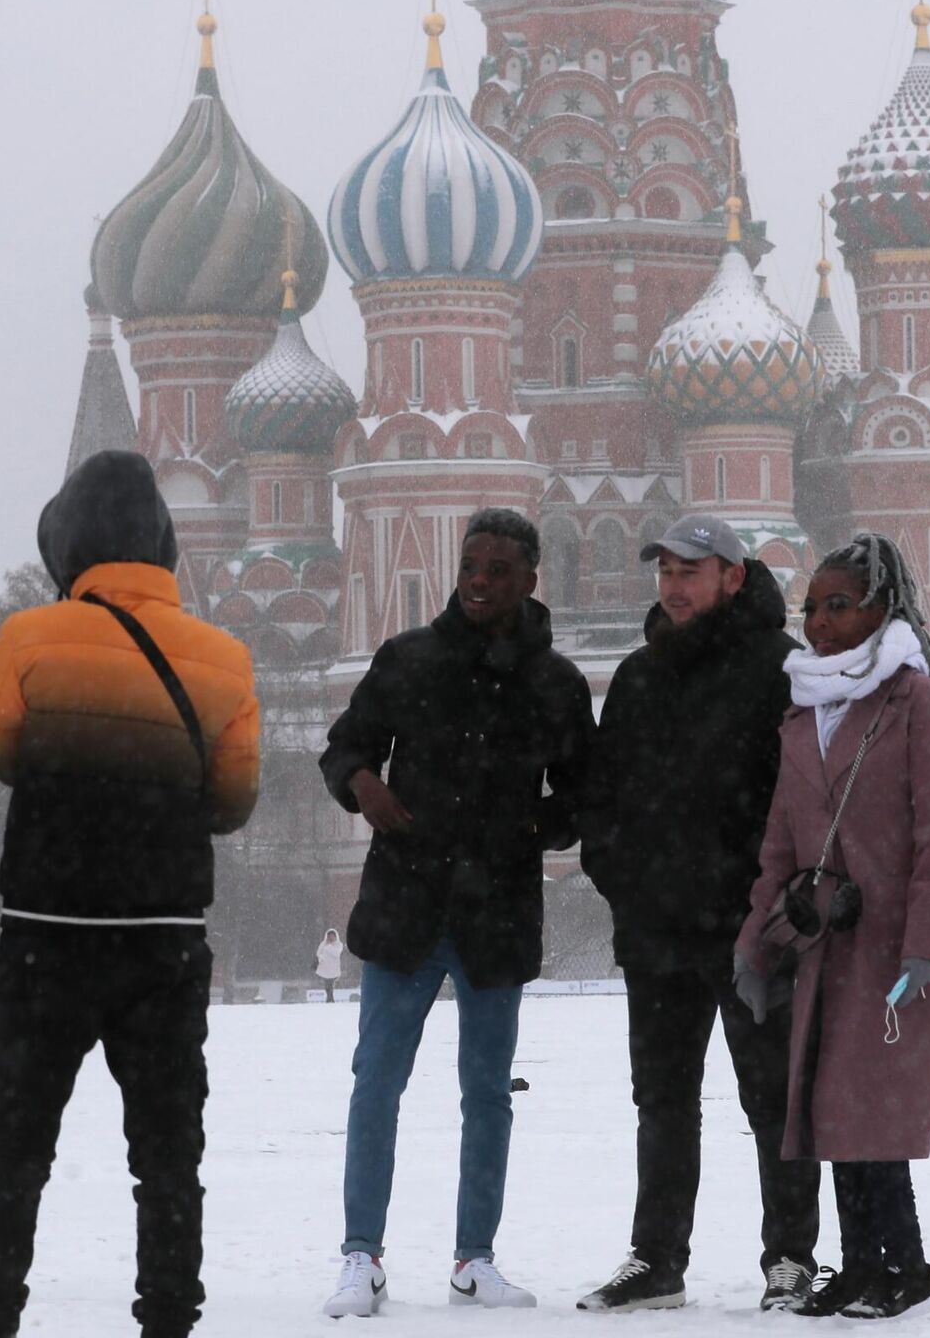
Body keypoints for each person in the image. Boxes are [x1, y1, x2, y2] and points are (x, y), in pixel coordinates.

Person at [0, 451, 261, 1338]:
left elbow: (2, 751)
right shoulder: (224, 660)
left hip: (47, 932)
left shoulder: (28, 638)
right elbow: (233, 799)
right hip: (163, 939)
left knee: (15, 1148)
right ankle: (168, 1316)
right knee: (168, 1154)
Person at [317, 508, 593, 1318]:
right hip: (406, 906)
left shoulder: (555, 684)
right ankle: (359, 1256)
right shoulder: (409, 660)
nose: (479, 579)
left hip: (496, 913)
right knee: (377, 1082)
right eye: (471, 564)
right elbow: (345, 746)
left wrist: (523, 833)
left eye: (498, 569)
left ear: (529, 580)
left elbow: (583, 795)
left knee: (487, 1092)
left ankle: (476, 1259)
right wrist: (362, 785)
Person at [574, 514, 818, 1315]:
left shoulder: (782, 669)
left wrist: (773, 906)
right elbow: (602, 796)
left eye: (692, 571)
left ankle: (789, 1257)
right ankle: (657, 1259)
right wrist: (621, 879)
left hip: (754, 931)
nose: (676, 587)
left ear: (732, 578)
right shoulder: (640, 676)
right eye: (667, 573)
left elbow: (802, 802)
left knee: (773, 1099)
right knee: (663, 1099)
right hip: (658, 932)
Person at [736, 532, 930, 1321]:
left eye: (839, 606)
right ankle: (862, 1262)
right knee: (834, 1111)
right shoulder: (804, 717)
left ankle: (903, 1262)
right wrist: (756, 948)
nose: (820, 623)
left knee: (877, 1111)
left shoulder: (913, 702)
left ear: (881, 608)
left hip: (893, 949)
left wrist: (929, 947)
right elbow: (777, 846)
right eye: (812, 608)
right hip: (823, 946)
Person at [315, 927, 345, 1003]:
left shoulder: (339, 944)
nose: (331, 937)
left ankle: (330, 997)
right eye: (329, 936)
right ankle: (329, 997)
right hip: (324, 967)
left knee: (331, 983)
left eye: (332, 935)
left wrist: (329, 946)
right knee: (326, 983)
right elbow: (319, 953)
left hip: (334, 968)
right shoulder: (323, 943)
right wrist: (321, 958)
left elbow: (336, 954)